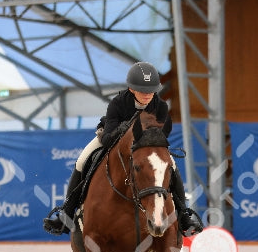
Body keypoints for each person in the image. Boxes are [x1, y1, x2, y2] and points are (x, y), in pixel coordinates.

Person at [43, 61, 204, 237]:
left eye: (151, 90)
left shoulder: (161, 106)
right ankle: (66, 213)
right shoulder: (118, 103)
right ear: (132, 88)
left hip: (145, 146)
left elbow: (162, 132)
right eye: (142, 90)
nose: (147, 95)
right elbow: (106, 139)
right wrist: (124, 129)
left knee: (170, 166)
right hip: (112, 141)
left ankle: (184, 215)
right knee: (82, 161)